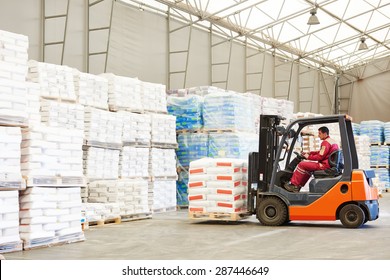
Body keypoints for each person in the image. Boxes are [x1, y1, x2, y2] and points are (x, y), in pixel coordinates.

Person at [285, 126, 339, 192]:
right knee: (308, 168)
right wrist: (310, 153)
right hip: (327, 163)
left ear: (325, 134)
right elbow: (321, 152)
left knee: (302, 164)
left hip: (324, 165)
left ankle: (294, 185)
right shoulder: (331, 141)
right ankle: (298, 186)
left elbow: (320, 156)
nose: (318, 136)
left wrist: (308, 157)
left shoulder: (325, 143)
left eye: (320, 133)